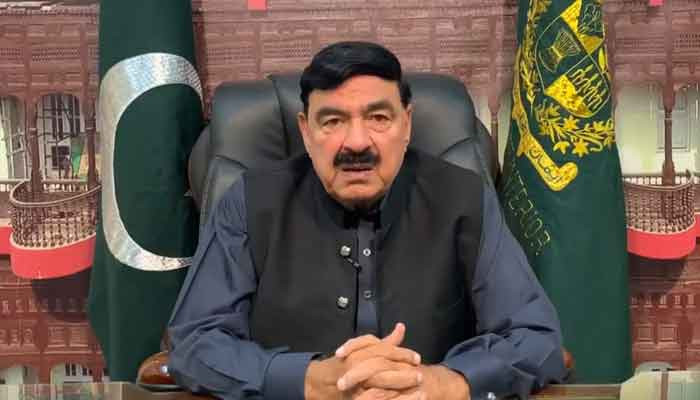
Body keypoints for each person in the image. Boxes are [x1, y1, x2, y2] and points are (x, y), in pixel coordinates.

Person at [167, 41, 567, 400]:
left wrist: (447, 382)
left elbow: (535, 338)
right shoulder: (249, 201)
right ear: (305, 131)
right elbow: (194, 341)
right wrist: (308, 380)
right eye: (333, 121)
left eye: (378, 118)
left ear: (406, 124)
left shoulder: (464, 198)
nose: (357, 142)